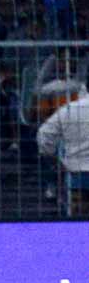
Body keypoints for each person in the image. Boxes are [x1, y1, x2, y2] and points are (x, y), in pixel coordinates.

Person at [37, 76, 89, 216]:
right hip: (77, 172)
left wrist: (53, 159)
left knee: (79, 217)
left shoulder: (69, 109)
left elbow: (43, 134)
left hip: (77, 172)